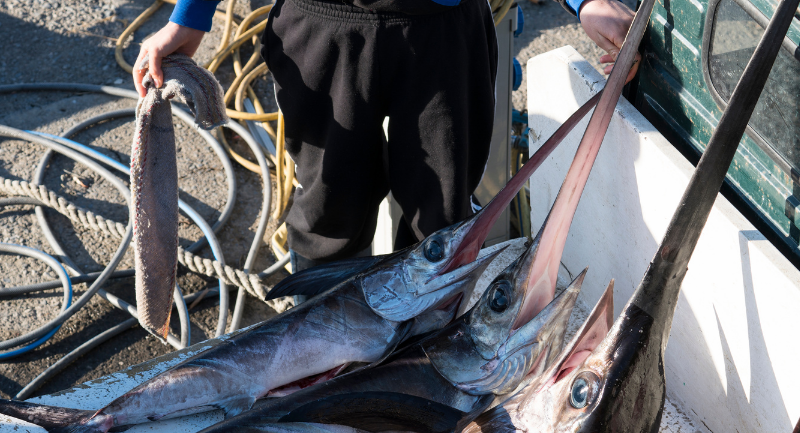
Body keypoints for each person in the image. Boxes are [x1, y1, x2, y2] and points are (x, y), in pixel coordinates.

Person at [134, 0, 638, 275]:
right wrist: (190, 16)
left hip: (445, 31)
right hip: (322, 26)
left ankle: (423, 357)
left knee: (439, 221)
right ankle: (318, 356)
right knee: (329, 211)